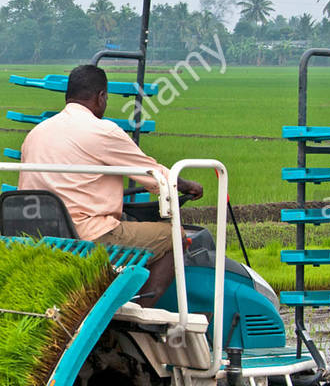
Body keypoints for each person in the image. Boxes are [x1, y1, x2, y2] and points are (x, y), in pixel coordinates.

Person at [18, 64, 203, 304]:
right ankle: (138, 314)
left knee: (127, 224)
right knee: (173, 236)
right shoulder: (102, 131)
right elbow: (155, 176)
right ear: (101, 97)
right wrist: (188, 185)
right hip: (86, 235)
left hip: (41, 234)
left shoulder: (36, 134)